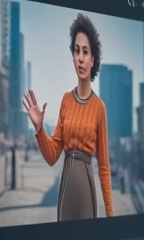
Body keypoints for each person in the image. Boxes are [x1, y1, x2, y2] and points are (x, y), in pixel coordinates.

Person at [22, 13, 114, 222]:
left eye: (85, 52)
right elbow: (53, 154)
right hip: (65, 188)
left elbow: (104, 167)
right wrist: (39, 130)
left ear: (93, 59)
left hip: (86, 188)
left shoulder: (99, 107)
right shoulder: (65, 100)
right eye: (76, 51)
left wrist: (110, 216)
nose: (80, 57)